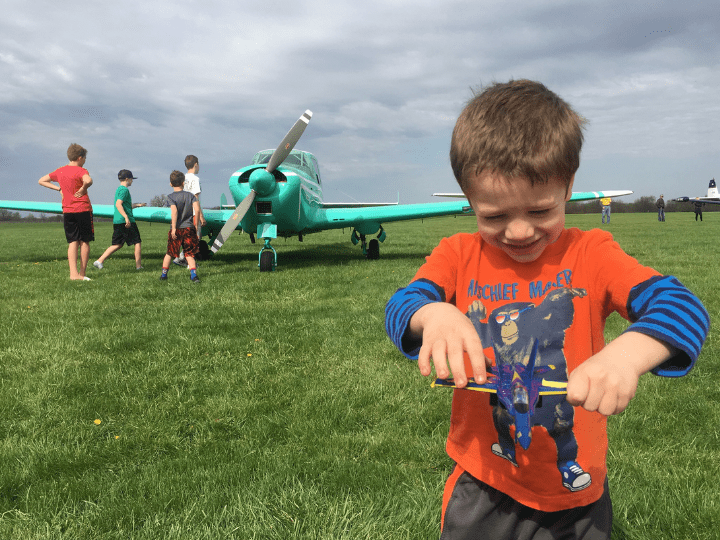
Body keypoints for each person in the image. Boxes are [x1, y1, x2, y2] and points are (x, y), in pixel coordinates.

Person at [384, 80, 709, 540]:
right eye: (494, 216)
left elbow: (684, 308)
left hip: (578, 497)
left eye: (540, 211)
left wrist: (626, 356)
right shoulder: (458, 254)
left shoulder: (592, 254)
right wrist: (434, 314)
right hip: (484, 484)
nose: (518, 232)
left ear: (568, 185)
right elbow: (402, 305)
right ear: (468, 198)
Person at [38, 143, 95, 281]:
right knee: (84, 241)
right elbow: (89, 180)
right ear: (80, 158)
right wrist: (83, 188)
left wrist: (59, 189)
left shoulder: (60, 171)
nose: (85, 161)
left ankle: (73, 274)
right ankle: (82, 274)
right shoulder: (81, 170)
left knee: (73, 241)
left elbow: (41, 181)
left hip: (68, 211)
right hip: (83, 209)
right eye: (85, 158)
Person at [160, 170, 205, 283]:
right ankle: (193, 275)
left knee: (170, 252)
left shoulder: (170, 197)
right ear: (183, 183)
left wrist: (174, 228)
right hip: (189, 228)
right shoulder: (190, 196)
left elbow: (174, 212)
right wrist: (196, 225)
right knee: (189, 253)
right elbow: (197, 209)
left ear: (171, 184)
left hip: (177, 229)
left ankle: (164, 275)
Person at [93, 170, 143, 270]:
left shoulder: (119, 190)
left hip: (118, 221)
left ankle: (99, 261)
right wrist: (126, 217)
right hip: (126, 221)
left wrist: (137, 205)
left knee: (118, 244)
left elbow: (125, 205)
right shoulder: (124, 190)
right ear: (127, 179)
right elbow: (118, 204)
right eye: (132, 179)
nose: (132, 181)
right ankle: (138, 266)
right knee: (137, 242)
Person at [173, 155, 205, 267]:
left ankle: (181, 257)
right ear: (196, 165)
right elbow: (195, 198)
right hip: (193, 212)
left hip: (183, 213)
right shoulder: (195, 179)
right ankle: (187, 262)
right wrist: (201, 216)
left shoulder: (183, 178)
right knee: (195, 237)